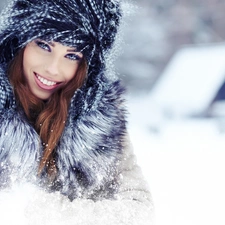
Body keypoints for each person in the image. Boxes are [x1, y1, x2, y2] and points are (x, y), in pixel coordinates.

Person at [0, 0, 153, 224]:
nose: (53, 68)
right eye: (44, 45)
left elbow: (139, 212)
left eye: (72, 56)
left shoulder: (101, 122)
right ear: (19, 41)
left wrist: (34, 209)